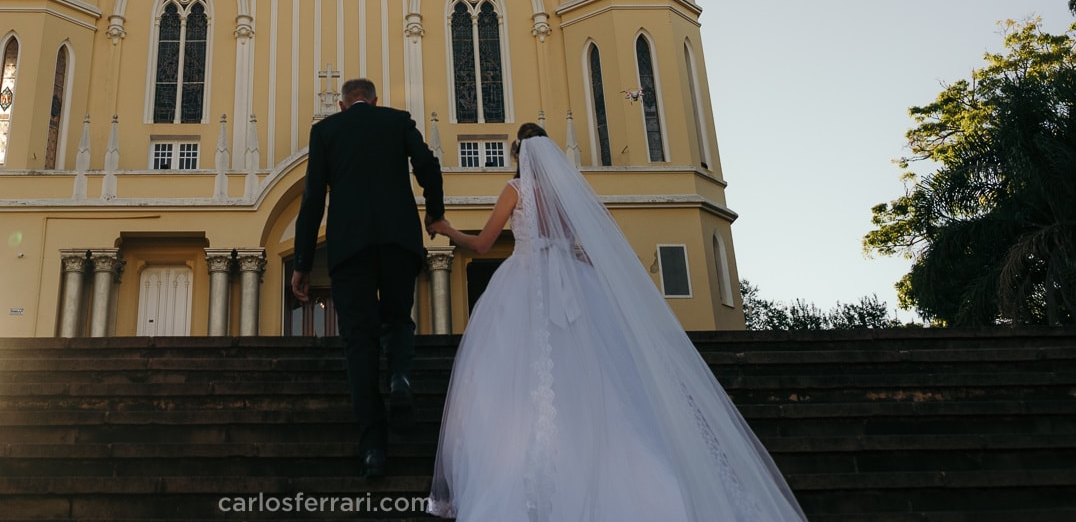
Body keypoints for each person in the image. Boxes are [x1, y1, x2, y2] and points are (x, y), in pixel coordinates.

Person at [426, 123, 809, 521]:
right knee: (595, 377)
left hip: (524, 282)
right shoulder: (567, 193)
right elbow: (592, 244)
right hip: (573, 288)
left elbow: (482, 245)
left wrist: (446, 228)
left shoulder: (515, 190)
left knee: (516, 376)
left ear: (518, 155)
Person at [291, 78, 444, 479]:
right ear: (375, 101)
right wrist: (434, 210)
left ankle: (373, 448)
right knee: (398, 318)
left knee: (359, 341)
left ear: (342, 105)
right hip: (398, 239)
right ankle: (400, 377)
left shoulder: (326, 131)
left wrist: (302, 262)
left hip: (350, 246)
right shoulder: (397, 121)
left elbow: (312, 198)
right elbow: (427, 165)